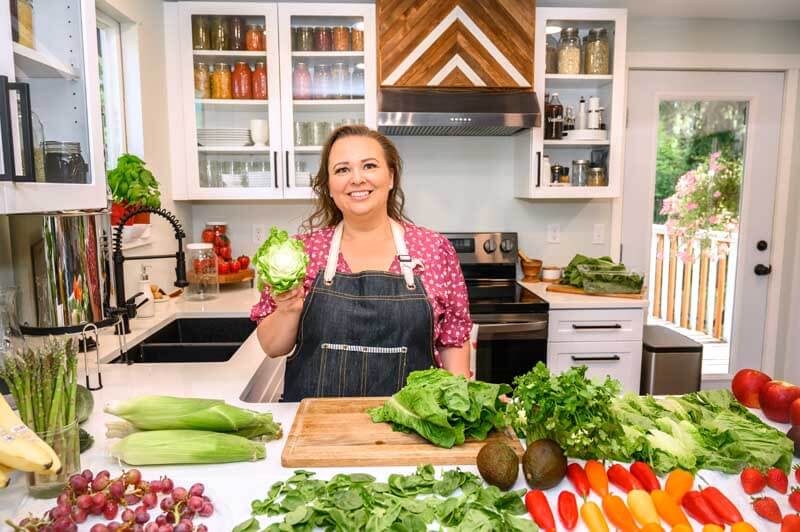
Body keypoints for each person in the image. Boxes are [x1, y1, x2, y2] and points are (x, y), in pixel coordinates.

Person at [251, 125, 472, 401]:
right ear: (329, 186)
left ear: (390, 177)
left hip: (415, 428)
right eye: (342, 170)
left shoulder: (434, 248)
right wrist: (289, 309)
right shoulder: (301, 252)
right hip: (318, 430)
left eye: (369, 165)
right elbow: (272, 347)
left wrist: (461, 402)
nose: (357, 179)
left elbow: (452, 339)